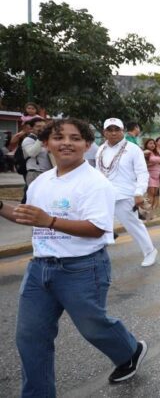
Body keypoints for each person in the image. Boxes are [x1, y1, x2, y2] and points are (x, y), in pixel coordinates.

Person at [0, 118, 148, 396]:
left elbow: (97, 229)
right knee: (30, 338)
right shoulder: (40, 183)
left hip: (82, 268)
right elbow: (28, 216)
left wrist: (49, 220)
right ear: (46, 144)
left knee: (93, 328)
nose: (66, 142)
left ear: (87, 145)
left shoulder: (96, 184)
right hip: (39, 268)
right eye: (58, 137)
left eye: (75, 138)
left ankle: (130, 350)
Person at [96, 118, 158, 267]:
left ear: (122, 130)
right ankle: (97, 258)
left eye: (116, 129)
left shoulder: (133, 148)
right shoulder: (101, 149)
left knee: (133, 226)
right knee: (99, 226)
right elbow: (98, 173)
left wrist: (138, 193)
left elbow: (142, 173)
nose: (113, 133)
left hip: (125, 194)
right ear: (104, 132)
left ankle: (150, 251)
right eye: (109, 130)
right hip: (104, 194)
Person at [21, 116, 54, 187]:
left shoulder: (47, 139)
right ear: (31, 128)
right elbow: (32, 153)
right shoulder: (28, 140)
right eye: (38, 126)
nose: (41, 128)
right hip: (35, 172)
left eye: (43, 126)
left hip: (48, 172)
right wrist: (40, 139)